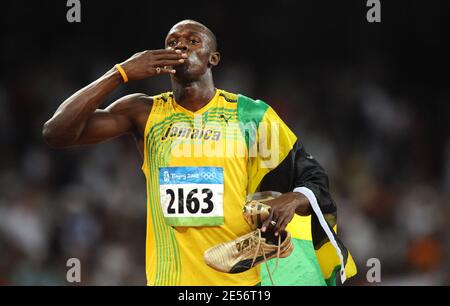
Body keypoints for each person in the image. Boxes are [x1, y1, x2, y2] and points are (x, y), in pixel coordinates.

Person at [43, 19, 356, 286]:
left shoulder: (250, 114)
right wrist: (120, 73)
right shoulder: (143, 112)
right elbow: (56, 132)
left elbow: (312, 176)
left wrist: (294, 198)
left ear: (213, 59)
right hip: (172, 279)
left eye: (193, 41)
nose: (181, 46)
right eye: (173, 41)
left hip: (241, 283)